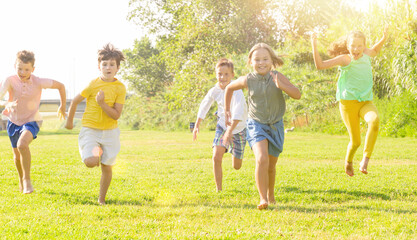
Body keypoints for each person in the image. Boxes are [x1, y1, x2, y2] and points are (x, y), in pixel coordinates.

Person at [224, 43, 301, 210]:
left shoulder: (277, 76)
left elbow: (297, 94)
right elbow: (229, 88)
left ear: (271, 60)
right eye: (257, 59)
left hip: (275, 126)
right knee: (261, 159)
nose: (261, 63)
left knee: (271, 166)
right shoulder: (248, 80)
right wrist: (227, 110)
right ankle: (262, 198)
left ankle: (271, 196)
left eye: (265, 59)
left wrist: (282, 86)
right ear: (250, 61)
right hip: (255, 124)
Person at [311, 27, 388, 176]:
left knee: (374, 121)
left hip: (366, 102)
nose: (356, 49)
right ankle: (348, 161)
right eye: (352, 45)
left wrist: (384, 38)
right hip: (348, 105)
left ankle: (365, 159)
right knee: (356, 142)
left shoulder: (366, 54)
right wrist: (314, 44)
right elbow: (320, 65)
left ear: (364, 46)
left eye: (360, 46)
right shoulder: (345, 59)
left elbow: (376, 50)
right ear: (348, 46)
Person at [65, 43, 126, 205]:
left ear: (117, 68)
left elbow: (116, 115)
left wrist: (102, 104)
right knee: (91, 162)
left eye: (112, 64)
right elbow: (75, 101)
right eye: (104, 64)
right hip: (90, 129)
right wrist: (70, 121)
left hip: (110, 132)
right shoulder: (93, 84)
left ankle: (101, 199)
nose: (108, 67)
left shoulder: (120, 88)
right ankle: (95, 152)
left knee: (107, 167)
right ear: (99, 66)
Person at [0, 50, 66, 194]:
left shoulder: (39, 82)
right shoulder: (10, 80)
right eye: (20, 68)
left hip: (32, 120)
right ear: (14, 66)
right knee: (17, 156)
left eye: (27, 69)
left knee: (22, 144)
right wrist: (7, 104)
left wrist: (62, 106)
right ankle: (21, 178)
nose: (22, 72)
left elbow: (61, 86)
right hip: (13, 121)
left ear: (33, 69)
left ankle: (27, 181)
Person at [193, 58, 248, 192]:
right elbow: (205, 105)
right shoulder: (215, 90)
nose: (222, 77)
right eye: (219, 74)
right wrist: (197, 124)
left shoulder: (237, 90)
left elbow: (238, 113)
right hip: (222, 126)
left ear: (232, 75)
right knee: (216, 156)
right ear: (216, 74)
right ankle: (219, 189)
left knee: (237, 166)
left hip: (238, 128)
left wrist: (230, 132)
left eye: (226, 74)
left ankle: (232, 150)